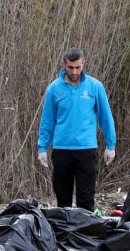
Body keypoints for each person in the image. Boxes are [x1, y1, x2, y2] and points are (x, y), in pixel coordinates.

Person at [38, 48, 117, 211]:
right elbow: (47, 121)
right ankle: (64, 234)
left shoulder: (95, 86)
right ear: (64, 64)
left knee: (86, 200)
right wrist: (42, 147)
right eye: (70, 67)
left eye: (78, 67)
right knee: (63, 200)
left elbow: (105, 117)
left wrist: (110, 145)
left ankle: (85, 234)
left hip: (86, 150)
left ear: (83, 64)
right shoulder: (54, 89)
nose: (74, 71)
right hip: (62, 150)